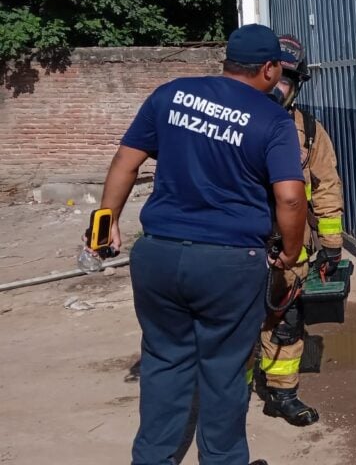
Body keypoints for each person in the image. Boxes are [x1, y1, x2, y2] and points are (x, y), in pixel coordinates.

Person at [95, 23, 307, 465]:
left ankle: (152, 459)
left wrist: (106, 220)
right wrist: (290, 250)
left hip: (157, 254)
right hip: (229, 263)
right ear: (269, 69)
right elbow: (289, 196)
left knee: (164, 362)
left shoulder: (170, 95)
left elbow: (125, 161)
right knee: (224, 371)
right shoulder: (272, 119)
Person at [253, 35, 344, 427]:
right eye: (271, 77)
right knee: (230, 324)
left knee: (285, 324)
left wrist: (331, 243)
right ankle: (229, 391)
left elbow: (327, 187)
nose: (277, 87)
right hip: (237, 248)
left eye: (286, 80)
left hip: (289, 252)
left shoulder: (307, 131)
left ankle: (281, 394)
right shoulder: (230, 124)